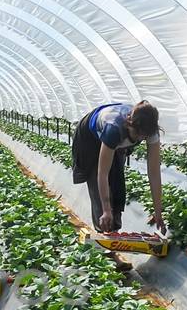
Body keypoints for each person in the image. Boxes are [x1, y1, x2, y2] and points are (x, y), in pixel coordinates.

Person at [70, 100, 165, 233]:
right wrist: (106, 210)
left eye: (143, 137)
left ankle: (114, 228)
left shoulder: (151, 131)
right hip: (89, 139)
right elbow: (102, 173)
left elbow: (154, 173)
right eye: (137, 134)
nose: (139, 139)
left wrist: (158, 212)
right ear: (129, 123)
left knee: (117, 182)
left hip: (117, 139)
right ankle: (103, 230)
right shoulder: (113, 128)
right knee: (97, 181)